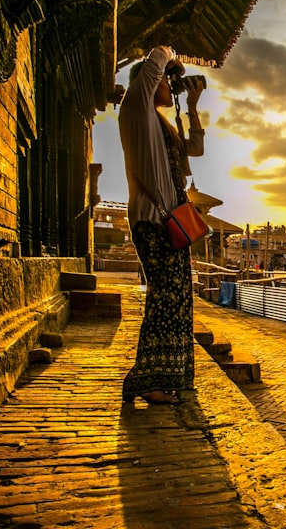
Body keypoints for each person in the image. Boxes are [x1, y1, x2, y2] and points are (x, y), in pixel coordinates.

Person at [118, 45, 206, 404]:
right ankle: (146, 380)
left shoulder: (162, 125)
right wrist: (169, 59)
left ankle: (169, 375)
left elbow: (195, 150)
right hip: (151, 222)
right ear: (149, 82)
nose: (172, 86)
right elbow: (154, 60)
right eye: (167, 82)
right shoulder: (136, 111)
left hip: (170, 223)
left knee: (178, 298)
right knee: (164, 298)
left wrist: (193, 107)